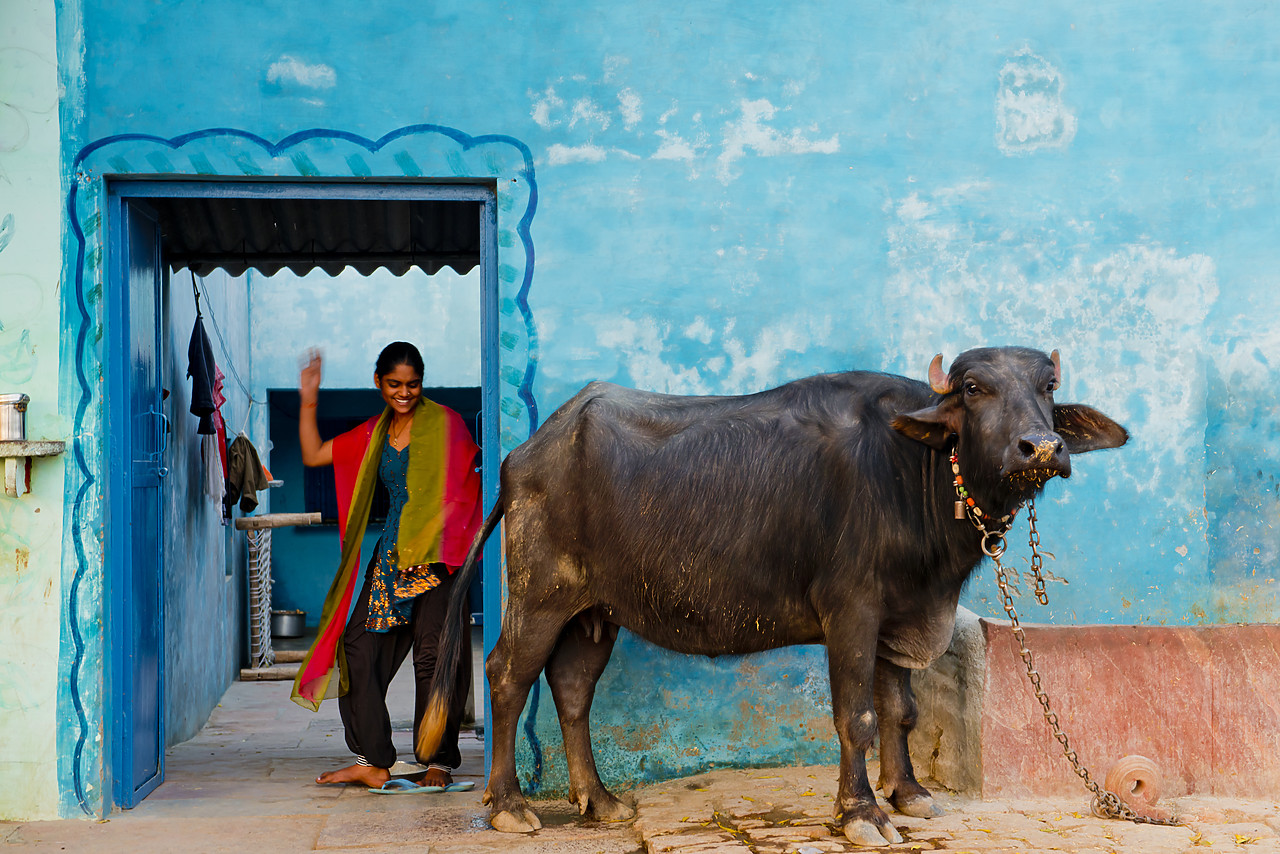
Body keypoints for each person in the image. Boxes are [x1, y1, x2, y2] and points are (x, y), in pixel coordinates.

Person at [289, 342, 482, 791]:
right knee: (356, 649)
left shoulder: (446, 424)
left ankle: (439, 760)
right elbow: (315, 454)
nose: (404, 393)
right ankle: (372, 760)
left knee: (434, 658)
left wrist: (447, 539)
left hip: (438, 558)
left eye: (413, 385)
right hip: (391, 560)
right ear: (379, 383)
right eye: (395, 384)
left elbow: (467, 486)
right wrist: (310, 397)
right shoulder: (376, 433)